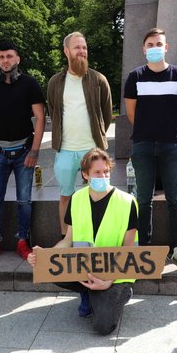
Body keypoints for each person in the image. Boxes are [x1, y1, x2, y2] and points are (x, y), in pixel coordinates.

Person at [27, 148, 137, 335]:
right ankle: (88, 292)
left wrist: (109, 281)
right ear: (85, 175)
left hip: (116, 273)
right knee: (50, 269)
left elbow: (130, 251)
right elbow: (68, 240)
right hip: (85, 267)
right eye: (97, 172)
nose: (103, 176)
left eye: (106, 171)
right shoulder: (77, 199)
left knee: (102, 327)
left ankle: (119, 293)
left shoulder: (127, 202)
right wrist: (44, 257)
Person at [124, 27, 177, 267]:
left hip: (171, 145)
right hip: (142, 145)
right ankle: (144, 249)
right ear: (144, 49)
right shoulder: (135, 77)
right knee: (143, 198)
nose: (154, 48)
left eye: (158, 44)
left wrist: (166, 130)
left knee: (175, 198)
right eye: (150, 45)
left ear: (166, 48)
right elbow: (132, 113)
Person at [0, 40, 45, 262]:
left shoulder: (30, 83)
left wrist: (34, 151)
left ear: (18, 59)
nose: (5, 61)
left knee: (24, 200)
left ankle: (23, 241)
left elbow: (40, 117)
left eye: (9, 56)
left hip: (24, 150)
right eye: (1, 57)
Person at [47, 32, 113, 237]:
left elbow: (107, 112)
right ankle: (65, 238)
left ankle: (98, 236)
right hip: (65, 150)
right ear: (66, 51)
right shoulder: (55, 82)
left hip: (92, 149)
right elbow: (53, 110)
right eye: (77, 48)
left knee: (98, 195)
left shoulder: (98, 79)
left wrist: (98, 136)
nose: (82, 51)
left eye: (84, 47)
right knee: (66, 195)